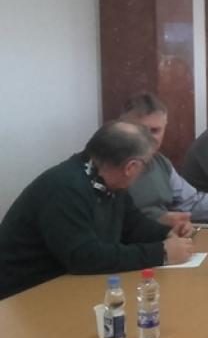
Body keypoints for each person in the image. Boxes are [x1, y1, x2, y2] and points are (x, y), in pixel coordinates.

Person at [0, 121, 195, 300]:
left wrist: (167, 233)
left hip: (67, 286)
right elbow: (84, 257)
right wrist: (161, 253)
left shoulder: (108, 180)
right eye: (146, 164)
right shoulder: (65, 188)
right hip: (23, 295)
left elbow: (132, 225)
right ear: (131, 167)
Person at [120, 93, 208, 226]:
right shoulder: (112, 164)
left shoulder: (161, 163)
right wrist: (158, 221)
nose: (148, 137)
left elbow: (191, 202)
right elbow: (114, 222)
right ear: (122, 127)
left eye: (155, 131)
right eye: (141, 130)